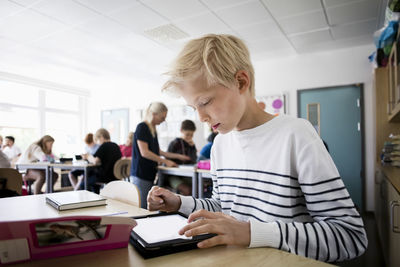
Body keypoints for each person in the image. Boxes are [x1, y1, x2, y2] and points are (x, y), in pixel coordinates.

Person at [147, 34, 367, 262]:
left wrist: (252, 233)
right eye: (194, 107)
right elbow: (225, 207)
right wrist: (180, 202)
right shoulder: (220, 144)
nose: (201, 117)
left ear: (241, 82)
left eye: (205, 102)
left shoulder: (296, 135)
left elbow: (349, 236)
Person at [131, 102, 191, 209]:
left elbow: (158, 151)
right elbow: (144, 152)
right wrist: (165, 161)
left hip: (148, 173)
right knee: (143, 207)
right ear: (154, 114)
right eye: (162, 117)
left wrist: (178, 156)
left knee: (148, 206)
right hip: (140, 174)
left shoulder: (152, 130)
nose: (164, 120)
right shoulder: (142, 127)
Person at [83, 128, 121, 194]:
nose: (97, 143)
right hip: (116, 176)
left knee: (85, 181)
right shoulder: (116, 145)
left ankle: (92, 199)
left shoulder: (104, 146)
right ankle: (97, 197)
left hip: (106, 176)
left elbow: (95, 161)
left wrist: (88, 156)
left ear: (101, 137)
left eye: (97, 140)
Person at [167, 120, 197, 195]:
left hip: (186, 175)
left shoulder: (191, 145)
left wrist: (192, 147)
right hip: (173, 176)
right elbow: (167, 160)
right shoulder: (174, 144)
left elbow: (194, 160)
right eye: (187, 134)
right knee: (187, 190)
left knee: (200, 186)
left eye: (191, 135)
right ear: (181, 131)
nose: (189, 137)